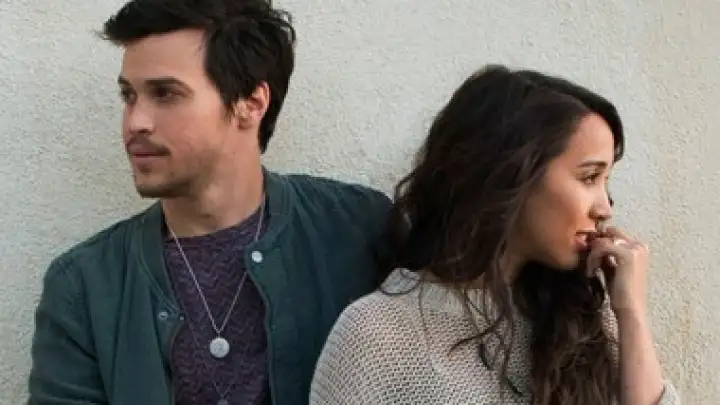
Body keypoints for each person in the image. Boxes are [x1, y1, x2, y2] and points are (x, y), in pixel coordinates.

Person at [27, 0, 390, 404]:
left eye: (165, 94)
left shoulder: (357, 230)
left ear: (251, 103)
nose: (135, 122)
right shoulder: (85, 286)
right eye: (129, 95)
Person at [309, 65, 681, 405]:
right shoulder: (376, 336)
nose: (604, 208)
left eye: (606, 181)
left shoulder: (583, 317)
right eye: (588, 178)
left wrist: (631, 312)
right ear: (512, 175)